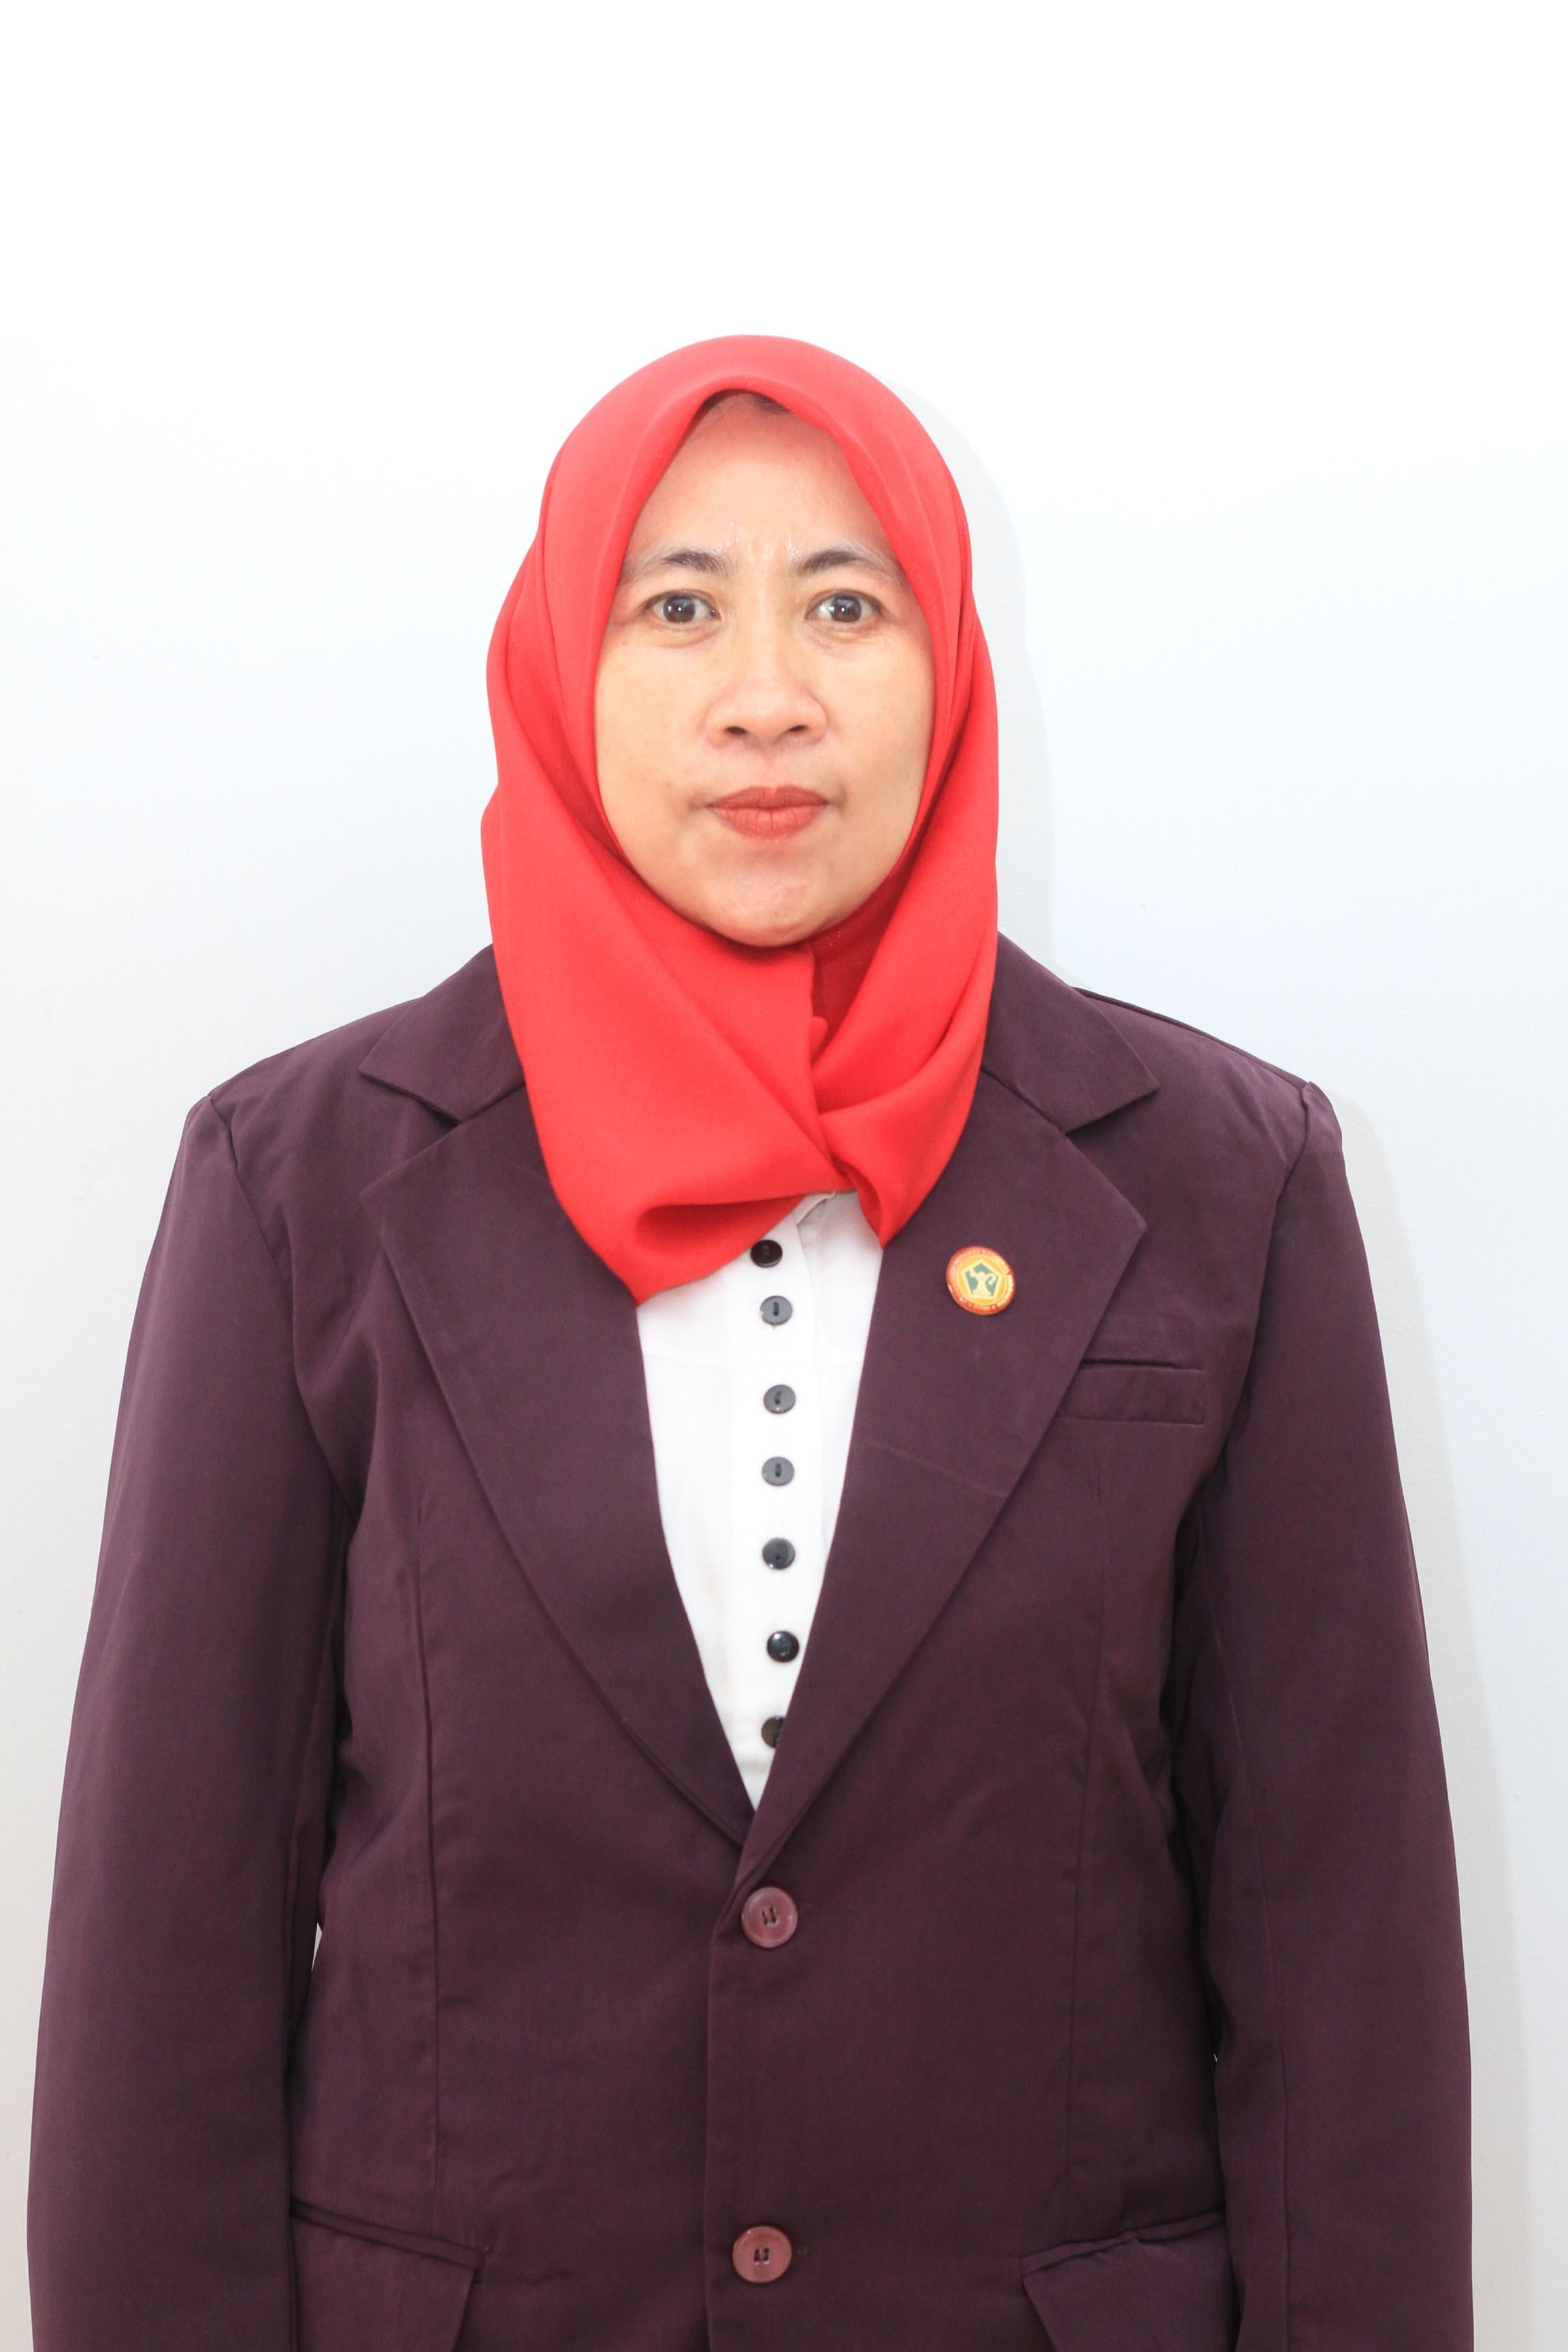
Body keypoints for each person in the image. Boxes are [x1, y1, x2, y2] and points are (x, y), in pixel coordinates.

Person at [27, 338, 1471, 2351]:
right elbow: (168, 1946)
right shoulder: (300, 1185)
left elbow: (1341, 1951)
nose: (767, 693)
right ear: (564, 665)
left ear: (950, 665)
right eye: (680, 606)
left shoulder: (1227, 1179)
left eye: (848, 607)